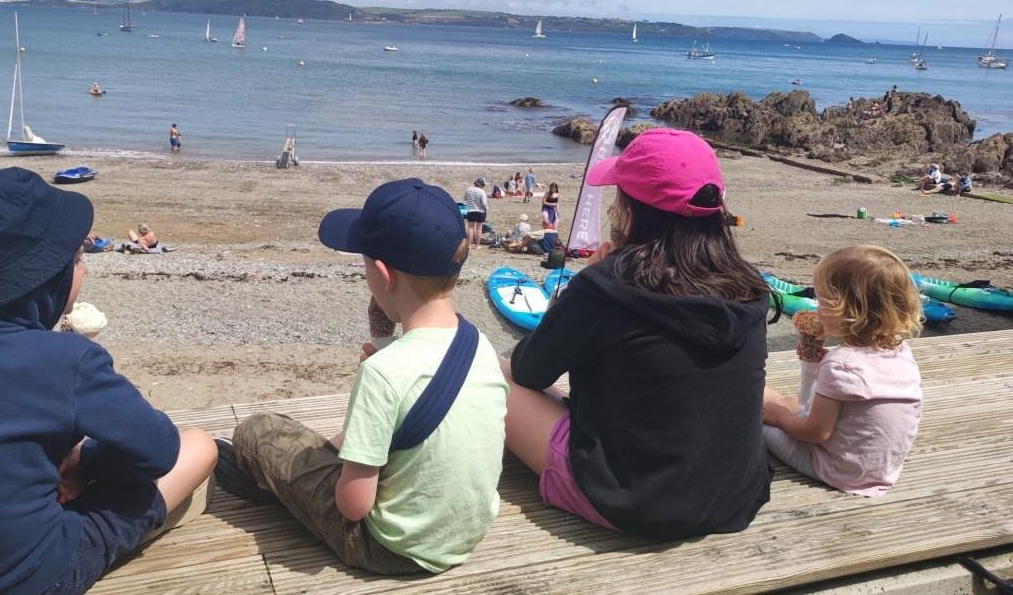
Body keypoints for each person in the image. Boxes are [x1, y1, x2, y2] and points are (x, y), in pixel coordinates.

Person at [0, 167, 218, 594]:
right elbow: (159, 450)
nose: (85, 270)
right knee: (199, 446)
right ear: (47, 278)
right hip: (28, 577)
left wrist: (67, 462)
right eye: (77, 259)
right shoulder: (68, 359)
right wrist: (81, 468)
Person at [215, 178, 508, 574]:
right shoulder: (479, 346)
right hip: (460, 535)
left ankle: (278, 491)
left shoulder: (383, 373)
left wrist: (370, 389)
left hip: (389, 547)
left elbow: (353, 506)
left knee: (256, 430)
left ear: (384, 275)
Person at [501, 128, 773, 538]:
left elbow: (530, 369)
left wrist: (583, 284)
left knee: (494, 372)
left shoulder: (608, 286)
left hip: (635, 499)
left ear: (630, 211)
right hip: (734, 493)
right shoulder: (747, 285)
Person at [762, 245, 923, 497]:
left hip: (836, 469)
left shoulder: (841, 364)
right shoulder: (901, 353)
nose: (816, 309)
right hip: (881, 467)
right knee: (785, 402)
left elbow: (816, 433)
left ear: (845, 310)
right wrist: (814, 362)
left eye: (821, 301)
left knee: (761, 422)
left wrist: (779, 418)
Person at [463, 178, 488, 249]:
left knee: (470, 228)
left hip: (470, 210)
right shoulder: (482, 191)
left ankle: (468, 245)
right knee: (479, 228)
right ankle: (477, 245)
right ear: (481, 185)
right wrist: (486, 209)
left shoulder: (468, 189)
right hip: (480, 211)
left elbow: (465, 198)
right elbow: (484, 203)